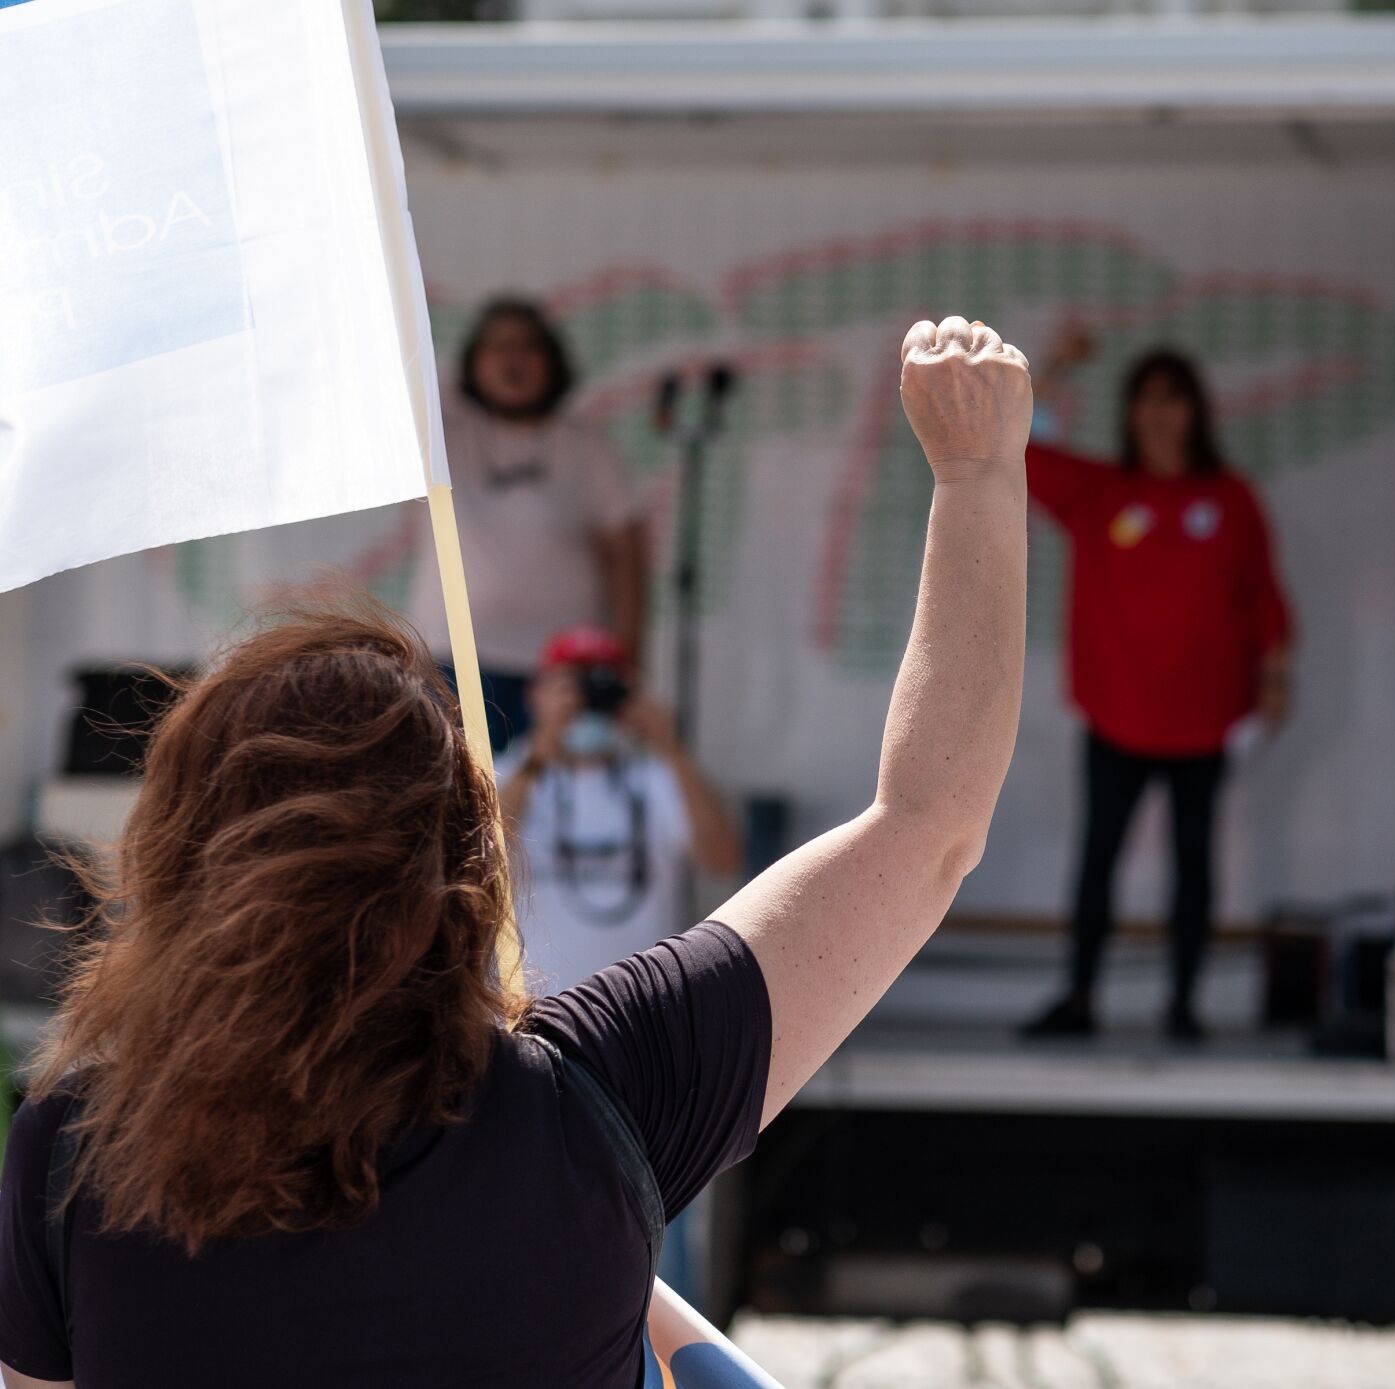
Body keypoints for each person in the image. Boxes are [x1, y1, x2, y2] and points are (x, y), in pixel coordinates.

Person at [0, 315, 1031, 1389]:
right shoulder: (602, 1099)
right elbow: (928, 823)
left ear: (170, 854)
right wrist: (976, 471)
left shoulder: (71, 1149)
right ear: (466, 856)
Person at [1021, 332, 1294, 1043]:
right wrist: (1057, 366)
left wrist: (1276, 679)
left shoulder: (1230, 499)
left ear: (1195, 411)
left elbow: (1264, 597)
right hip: (1116, 710)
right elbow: (1019, 448)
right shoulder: (1101, 493)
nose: (1159, 415)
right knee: (1098, 856)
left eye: (1172, 400)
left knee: (1195, 863)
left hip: (1205, 718)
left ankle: (1183, 1002)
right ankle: (1079, 996)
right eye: (1146, 400)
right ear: (1130, 412)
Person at [409, 297, 648, 752]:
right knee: (459, 795)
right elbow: (404, 381)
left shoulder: (587, 447)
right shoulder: (442, 435)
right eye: (498, 347)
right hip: (454, 657)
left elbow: (627, 557)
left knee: (548, 806)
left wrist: (627, 657)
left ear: (553, 362)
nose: (514, 358)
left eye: (528, 346)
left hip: (564, 667)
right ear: (474, 362)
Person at [498, 625, 742, 994]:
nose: (586, 702)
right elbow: (479, 855)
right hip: (530, 1010)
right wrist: (540, 754)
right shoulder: (506, 772)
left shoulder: (659, 779)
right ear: (536, 695)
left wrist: (669, 746)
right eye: (572, 686)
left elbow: (723, 860)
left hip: (639, 1012)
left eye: (600, 687)